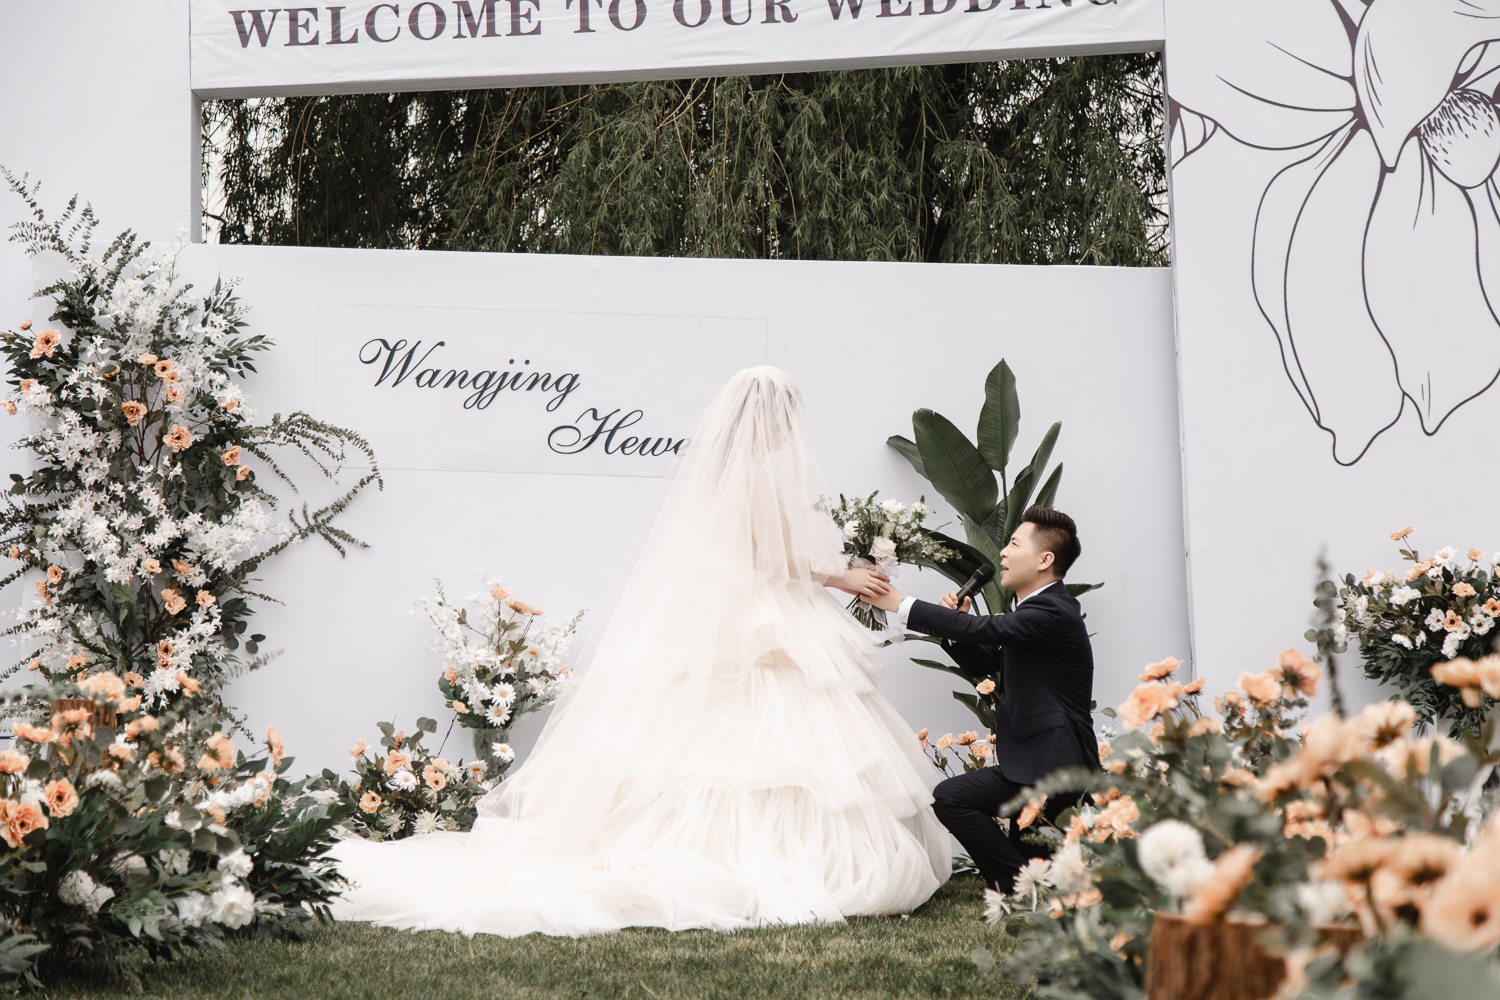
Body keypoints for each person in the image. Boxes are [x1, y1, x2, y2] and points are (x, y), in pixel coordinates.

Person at [327, 366, 951, 936]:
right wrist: (842, 575)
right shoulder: (755, 474)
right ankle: (762, 858)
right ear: (766, 418)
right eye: (784, 416)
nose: (791, 429)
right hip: (760, 618)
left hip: (751, 611)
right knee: (764, 730)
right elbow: (767, 556)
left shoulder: (732, 473)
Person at [866, 507, 1097, 894]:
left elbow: (984, 628)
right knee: (1032, 859)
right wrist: (955, 629)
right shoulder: (1037, 611)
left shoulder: (1053, 611)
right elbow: (985, 664)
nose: (1003, 553)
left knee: (953, 799)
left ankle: (1021, 889)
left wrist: (899, 603)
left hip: (1054, 765)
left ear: (1044, 560)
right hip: (1037, 764)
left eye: (1014, 544)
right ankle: (1028, 888)